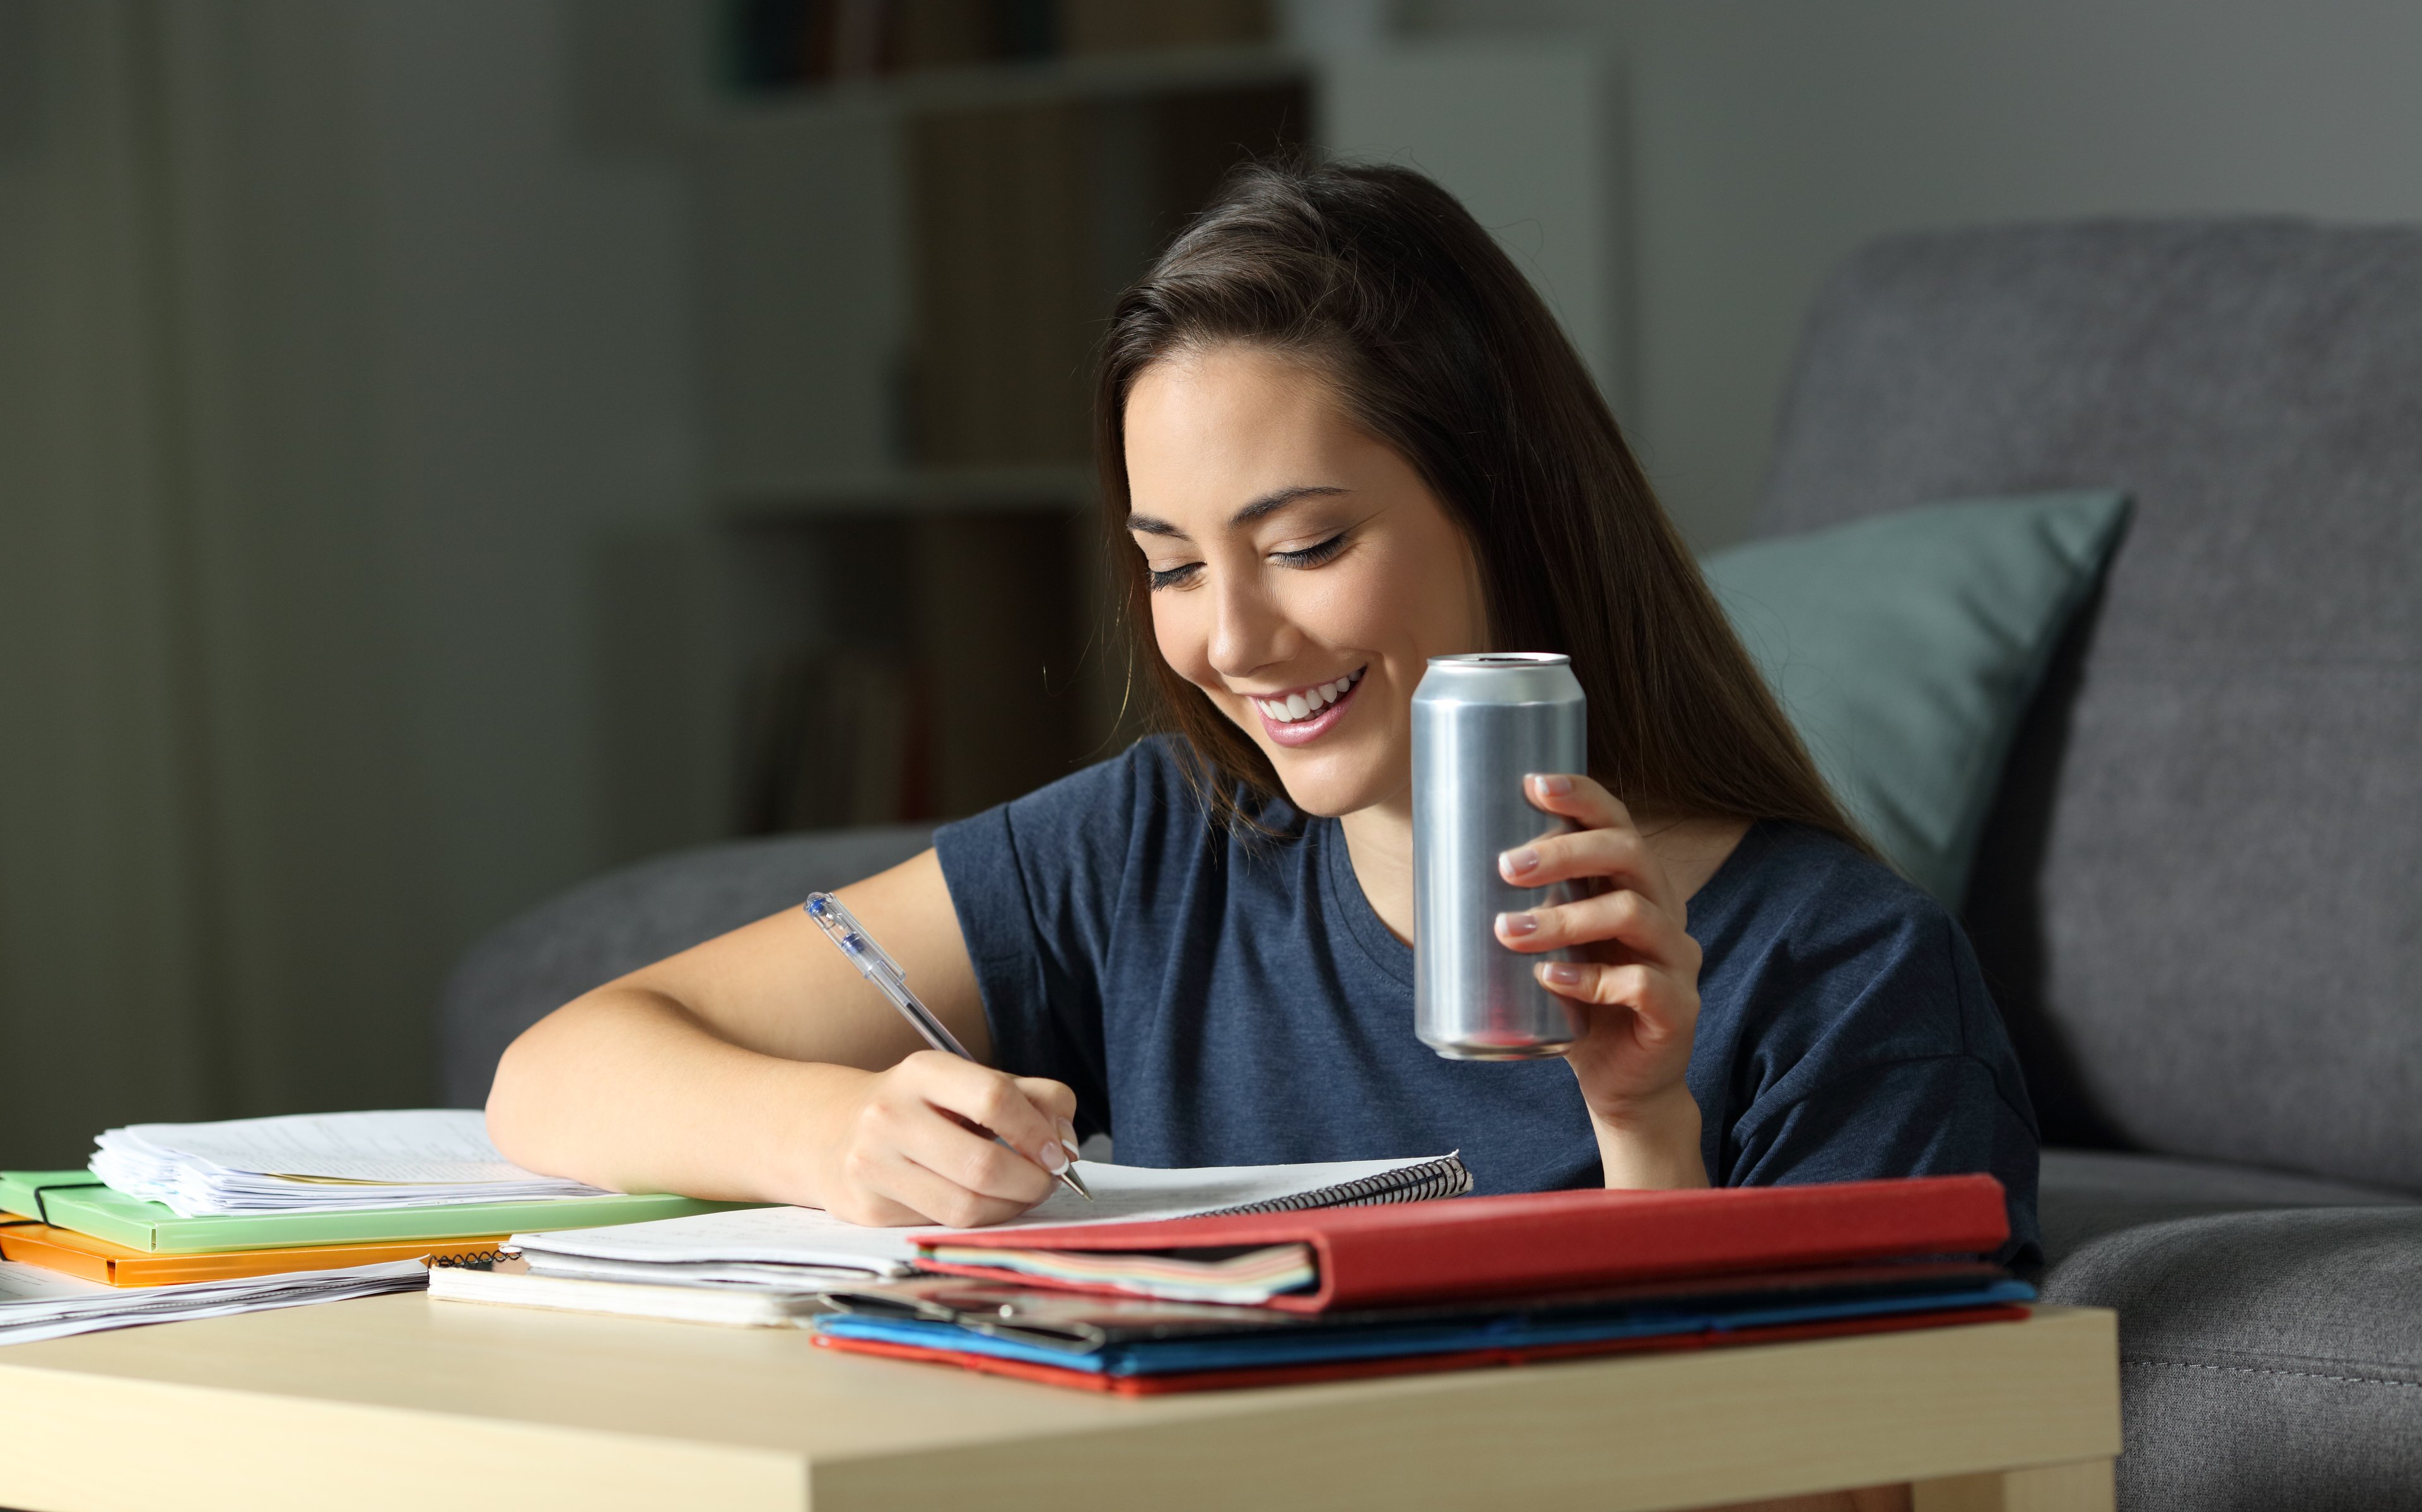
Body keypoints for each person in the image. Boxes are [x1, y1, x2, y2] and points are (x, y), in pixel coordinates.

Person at [486, 159, 2040, 1277]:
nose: (1231, 640)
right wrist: (842, 1137)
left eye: (1307, 547)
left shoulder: (1849, 977)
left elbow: (1855, 1477)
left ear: (1508, 513)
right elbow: (559, 1069)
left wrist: (1644, 1131)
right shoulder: (1156, 848)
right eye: (1172, 565)